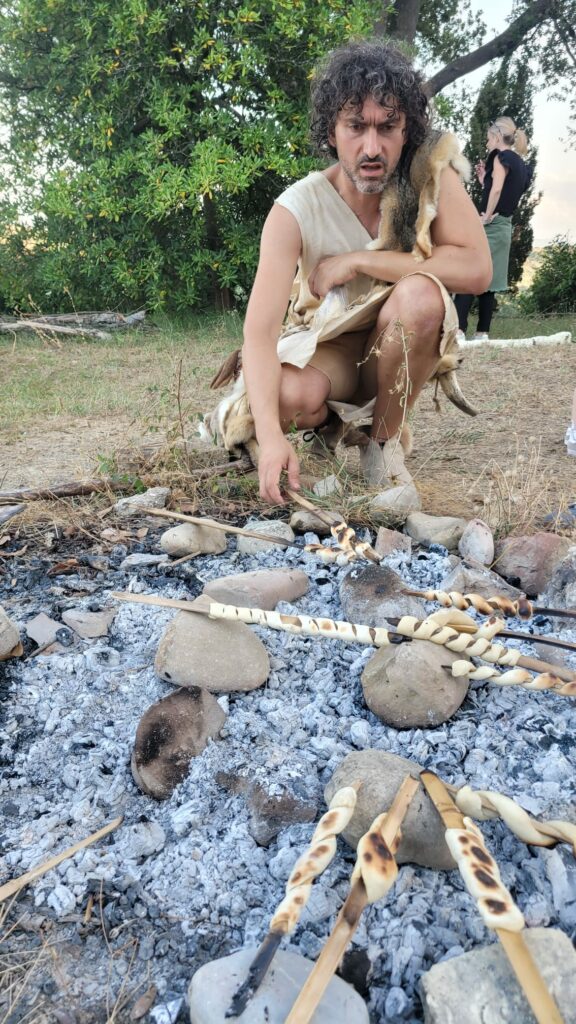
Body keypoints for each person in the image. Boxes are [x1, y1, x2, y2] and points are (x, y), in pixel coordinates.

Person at [206, 40, 491, 508]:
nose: (372, 147)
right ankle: (321, 431)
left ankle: (382, 445)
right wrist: (274, 439)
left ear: (408, 131)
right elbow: (258, 336)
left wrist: (359, 261)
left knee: (421, 296)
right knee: (284, 395)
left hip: (401, 338)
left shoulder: (429, 177)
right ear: (332, 132)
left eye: (388, 127)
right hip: (331, 351)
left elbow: (477, 269)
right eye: (356, 127)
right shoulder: (295, 209)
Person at [454, 116, 532, 341]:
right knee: (490, 280)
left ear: (497, 136)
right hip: (504, 226)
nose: (487, 142)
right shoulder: (519, 163)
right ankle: (482, 333)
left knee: (469, 273)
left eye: (489, 138)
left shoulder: (500, 157)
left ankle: (459, 330)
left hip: (491, 225)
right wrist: (483, 181)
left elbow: (497, 191)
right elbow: (506, 190)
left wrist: (486, 216)